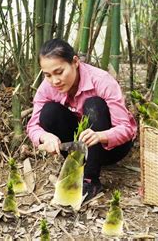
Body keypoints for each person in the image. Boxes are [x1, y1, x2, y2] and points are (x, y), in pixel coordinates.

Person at [26, 38, 138, 200]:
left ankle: (90, 180)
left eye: (59, 72)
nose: (54, 81)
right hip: (78, 147)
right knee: (49, 112)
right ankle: (76, 164)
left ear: (75, 62)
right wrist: (45, 137)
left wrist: (101, 136)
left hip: (111, 148)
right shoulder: (47, 87)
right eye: (48, 75)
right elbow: (33, 126)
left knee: (94, 104)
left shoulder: (101, 80)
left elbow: (126, 129)